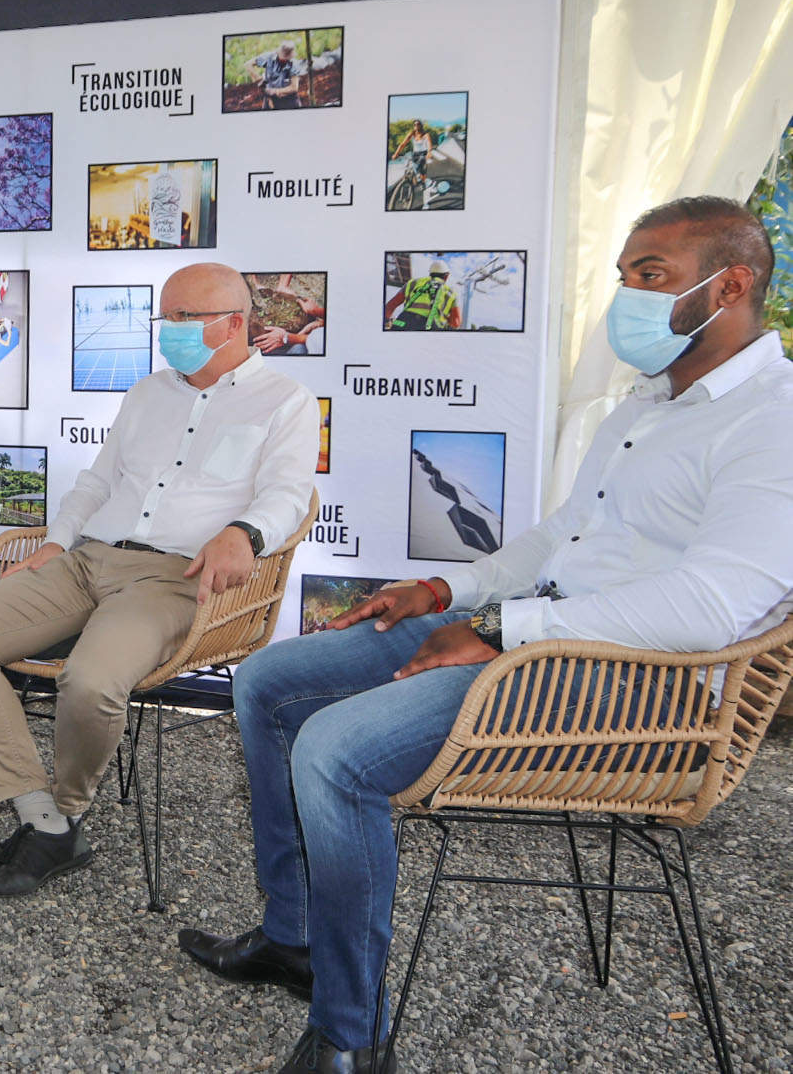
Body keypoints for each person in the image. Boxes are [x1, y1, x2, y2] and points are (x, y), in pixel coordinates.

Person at [179, 197, 793, 1074]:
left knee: (334, 751)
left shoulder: (772, 418)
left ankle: (350, 1035)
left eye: (648, 277)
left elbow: (710, 608)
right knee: (270, 681)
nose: (627, 297)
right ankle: (296, 939)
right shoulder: (649, 401)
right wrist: (444, 588)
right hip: (547, 634)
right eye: (622, 276)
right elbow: (559, 541)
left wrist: (505, 631)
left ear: (729, 284)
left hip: (650, 687)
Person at [0, 263, 319, 898]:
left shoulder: (285, 403)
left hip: (175, 579)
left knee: (91, 680)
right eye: (165, 317)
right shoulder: (147, 393)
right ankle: (43, 819)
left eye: (184, 319)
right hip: (88, 560)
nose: (169, 331)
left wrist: (244, 532)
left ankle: (69, 809)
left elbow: (287, 497)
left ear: (235, 324)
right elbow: (97, 481)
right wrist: (55, 541)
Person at [385, 258, 462, 330]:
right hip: (431, 329)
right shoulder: (451, 292)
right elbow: (456, 323)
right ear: (447, 276)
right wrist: (445, 317)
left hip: (404, 323)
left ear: (430, 274)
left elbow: (390, 305)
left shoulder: (412, 283)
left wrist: (387, 321)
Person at [389, 120, 436, 208]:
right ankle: (409, 181)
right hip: (415, 153)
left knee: (421, 169)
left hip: (423, 153)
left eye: (418, 124)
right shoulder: (412, 134)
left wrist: (429, 152)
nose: (416, 126)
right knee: (410, 167)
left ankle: (423, 181)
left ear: (421, 126)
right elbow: (403, 144)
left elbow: (429, 144)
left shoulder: (426, 134)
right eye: (414, 124)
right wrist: (396, 153)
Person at [253, 40, 301, 109]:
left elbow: (294, 88)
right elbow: (249, 64)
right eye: (283, 57)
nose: (284, 60)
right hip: (270, 98)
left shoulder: (294, 64)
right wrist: (257, 78)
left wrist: (275, 91)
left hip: (289, 99)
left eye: (286, 58)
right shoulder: (269, 58)